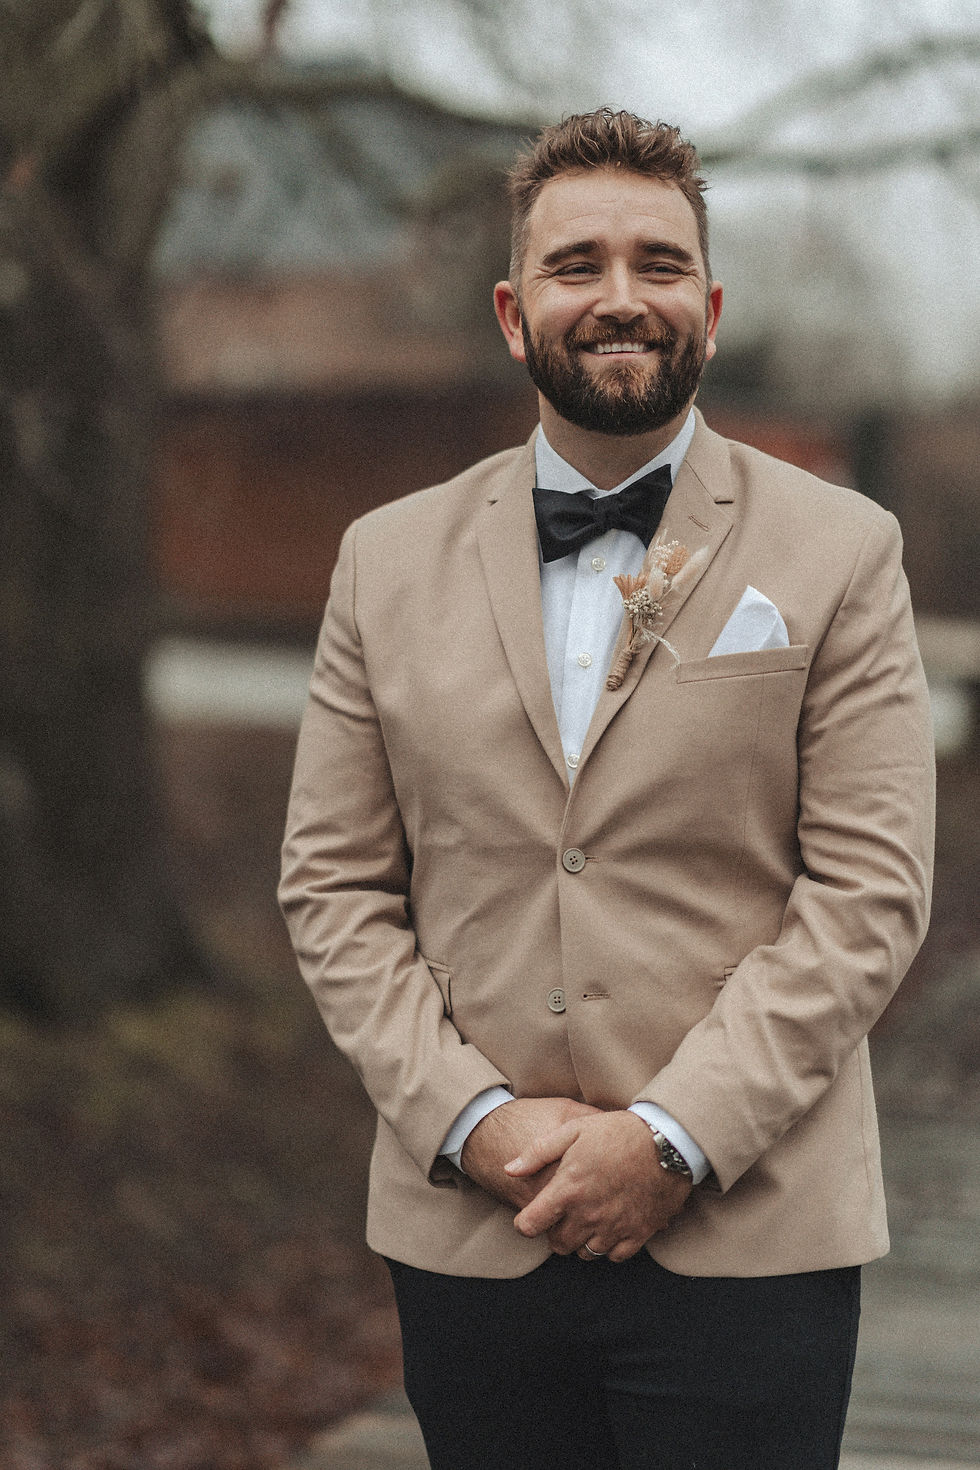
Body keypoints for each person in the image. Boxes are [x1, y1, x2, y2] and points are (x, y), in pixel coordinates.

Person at [279, 108, 935, 1469]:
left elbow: (869, 893)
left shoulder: (844, 549)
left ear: (709, 301)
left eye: (658, 261)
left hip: (751, 1234)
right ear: (518, 313)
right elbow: (336, 889)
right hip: (475, 1229)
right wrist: (477, 1121)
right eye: (580, 264)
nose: (621, 297)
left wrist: (674, 1136)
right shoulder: (382, 560)